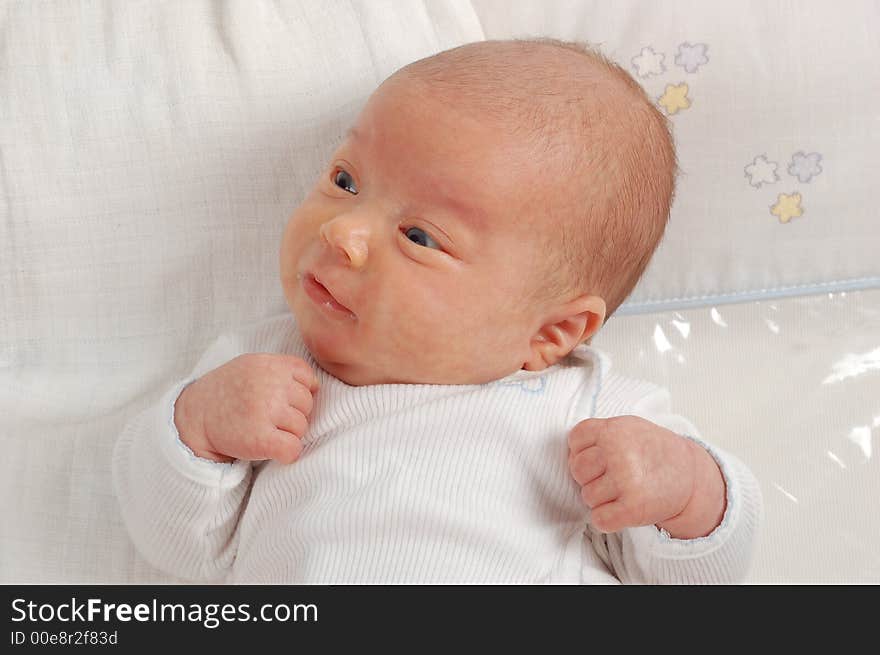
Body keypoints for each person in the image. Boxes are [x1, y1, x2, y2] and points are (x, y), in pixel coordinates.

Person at [112, 38, 762, 584]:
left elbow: (700, 577)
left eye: (419, 236)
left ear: (551, 332)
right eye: (346, 181)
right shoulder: (262, 369)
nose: (342, 232)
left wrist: (687, 489)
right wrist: (197, 430)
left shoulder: (586, 412)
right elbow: (178, 549)